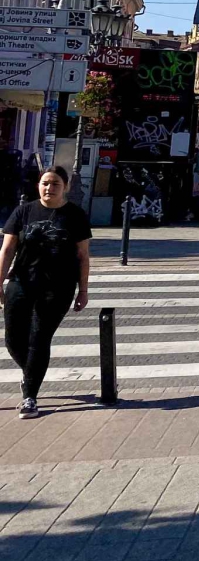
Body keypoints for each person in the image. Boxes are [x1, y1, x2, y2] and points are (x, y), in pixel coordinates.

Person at [1, 166, 90, 419]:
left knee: (39, 338)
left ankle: (30, 397)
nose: (49, 188)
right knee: (13, 339)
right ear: (38, 185)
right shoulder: (23, 211)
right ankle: (30, 373)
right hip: (21, 282)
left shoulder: (75, 215)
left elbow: (83, 256)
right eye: (45, 183)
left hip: (58, 287)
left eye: (55, 184)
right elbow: (7, 250)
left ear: (66, 187)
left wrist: (83, 290)